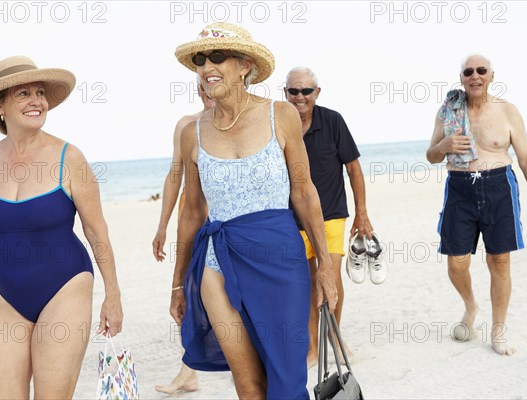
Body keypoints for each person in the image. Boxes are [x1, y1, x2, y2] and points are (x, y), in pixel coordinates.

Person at [170, 22, 338, 398]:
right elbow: (192, 212)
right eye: (200, 59)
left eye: (217, 56)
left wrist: (325, 265)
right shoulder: (191, 132)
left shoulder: (281, 115)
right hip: (217, 261)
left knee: (287, 378)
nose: (206, 66)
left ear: (245, 65)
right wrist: (179, 283)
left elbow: (304, 192)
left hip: (280, 256)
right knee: (248, 385)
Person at [0, 55, 123, 398]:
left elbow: (97, 232)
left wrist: (113, 295)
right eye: (22, 94)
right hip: (5, 296)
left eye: (39, 92)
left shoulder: (71, 158)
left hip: (65, 287)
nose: (36, 101)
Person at [426, 54, 527, 356]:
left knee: (499, 261)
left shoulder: (507, 111)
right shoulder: (447, 111)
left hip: (498, 186)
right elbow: (431, 155)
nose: (475, 76)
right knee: (456, 262)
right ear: (461, 79)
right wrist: (443, 146)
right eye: (468, 71)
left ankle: (498, 330)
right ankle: (471, 305)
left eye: (481, 70)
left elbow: (526, 159)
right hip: (459, 188)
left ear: (491, 75)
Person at [284, 66, 376, 367]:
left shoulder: (333, 121)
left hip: (332, 215)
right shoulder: (280, 125)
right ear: (285, 93)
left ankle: (334, 336)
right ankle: (313, 346)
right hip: (292, 220)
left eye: (306, 91)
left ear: (317, 93)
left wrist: (362, 213)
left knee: (331, 277)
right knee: (308, 284)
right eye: (293, 91)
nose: (299, 97)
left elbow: (354, 169)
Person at [152, 83, 214, 395]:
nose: (206, 90)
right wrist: (162, 225)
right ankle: (189, 369)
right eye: (201, 85)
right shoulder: (186, 124)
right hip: (190, 215)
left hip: (223, 217)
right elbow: (174, 174)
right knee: (188, 291)